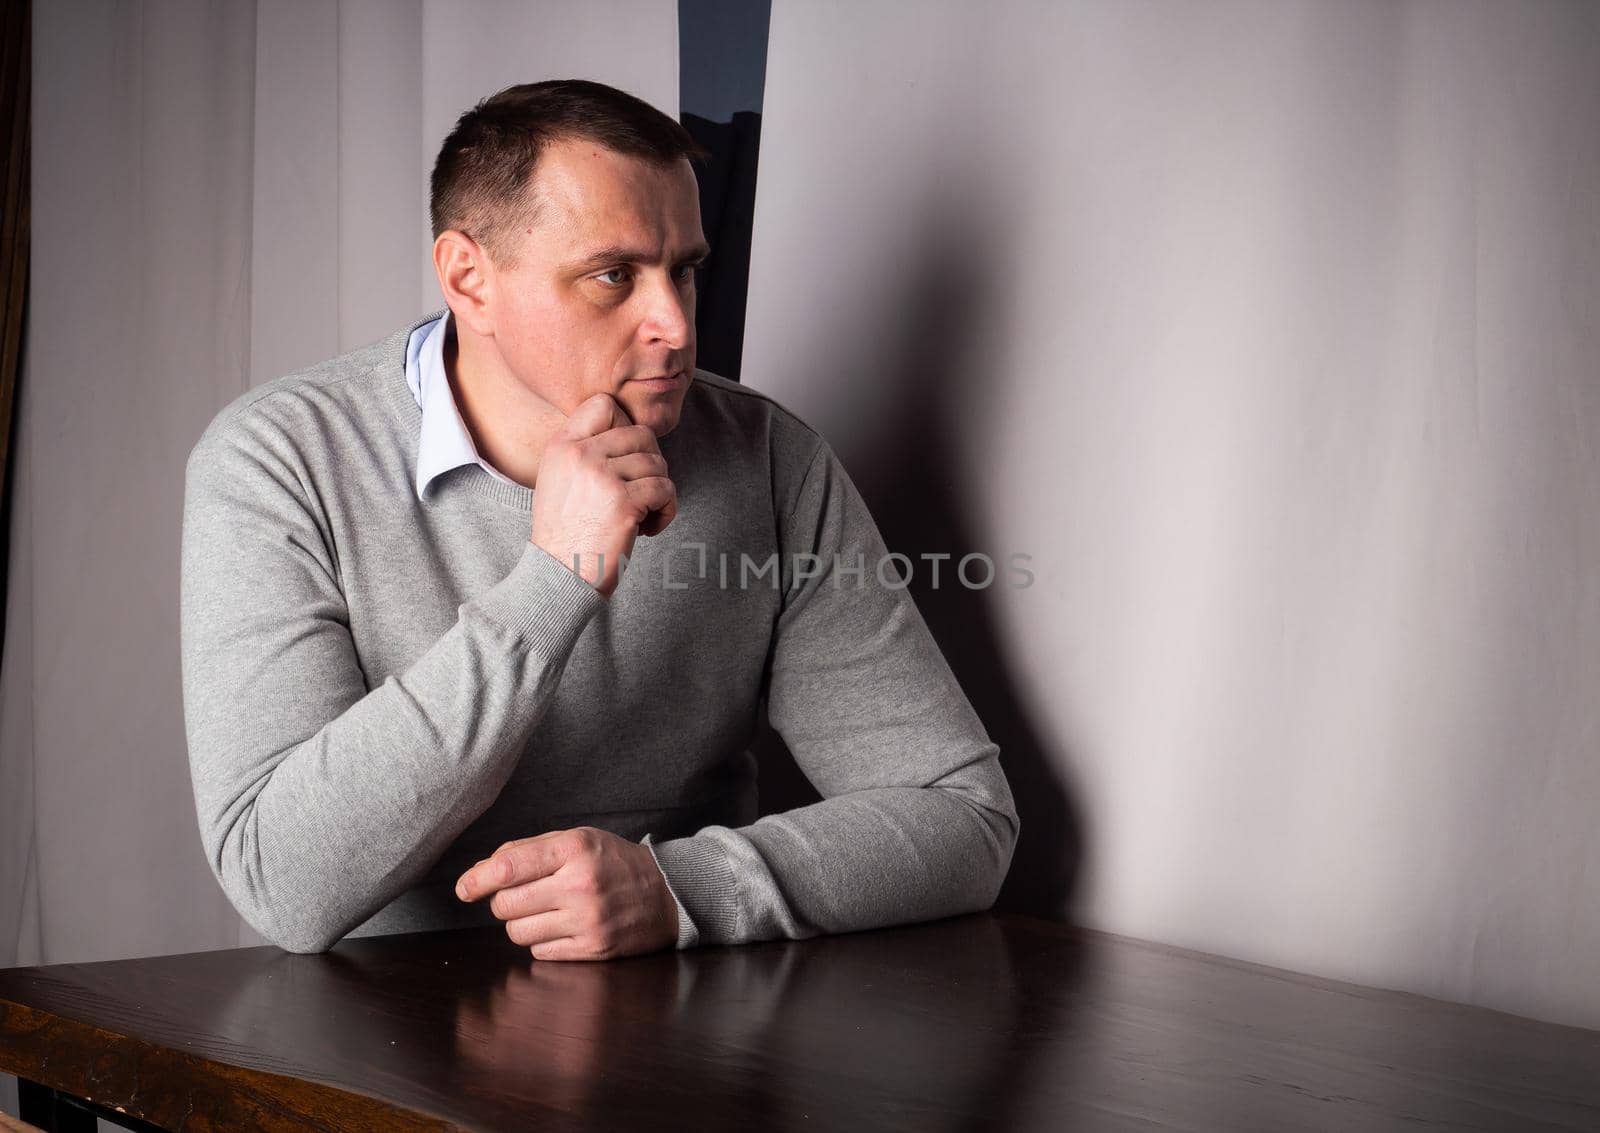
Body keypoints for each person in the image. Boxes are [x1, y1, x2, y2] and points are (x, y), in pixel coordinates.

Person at [179, 79, 1018, 959]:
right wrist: (555, 577)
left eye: (684, 271)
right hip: (381, 1036)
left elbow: (962, 817)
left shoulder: (768, 457)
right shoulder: (279, 459)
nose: (673, 324)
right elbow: (282, 880)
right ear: (470, 278)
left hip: (683, 1033)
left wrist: (675, 890)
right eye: (612, 275)